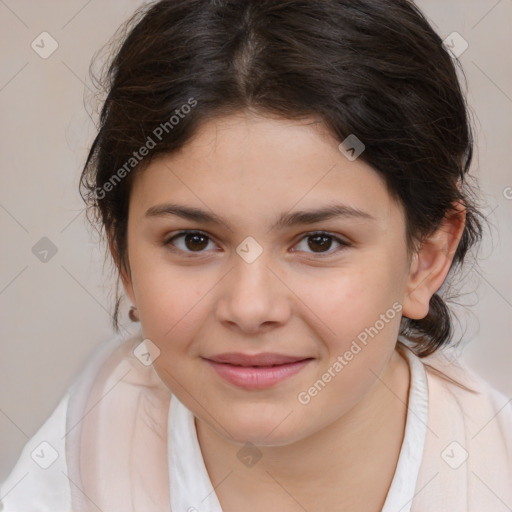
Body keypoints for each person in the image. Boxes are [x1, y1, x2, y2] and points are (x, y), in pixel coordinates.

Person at [1, 0, 511, 510]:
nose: (249, 308)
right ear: (123, 260)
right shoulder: (77, 462)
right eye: (193, 240)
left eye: (319, 242)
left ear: (426, 257)